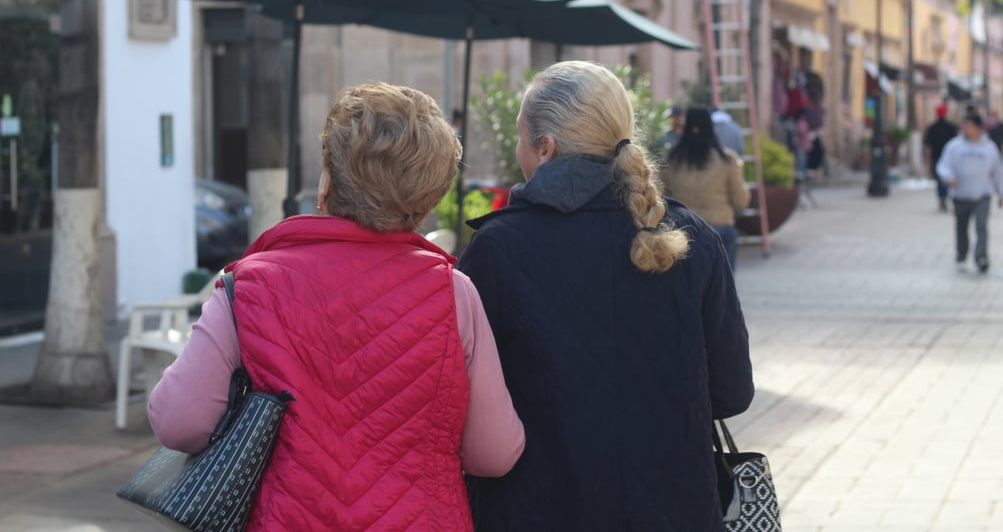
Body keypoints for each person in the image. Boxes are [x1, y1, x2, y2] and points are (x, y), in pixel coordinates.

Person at [148, 83, 525, 530]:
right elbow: (494, 453)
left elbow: (178, 422)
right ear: (428, 196)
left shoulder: (247, 285)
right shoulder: (454, 294)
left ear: (329, 179)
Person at [458, 61, 754, 532]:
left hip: (540, 510)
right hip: (676, 511)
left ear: (545, 147)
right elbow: (732, 391)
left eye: (520, 138)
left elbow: (461, 405)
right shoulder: (692, 237)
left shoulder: (499, 248)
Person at [663, 107, 751, 271]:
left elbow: (662, 197)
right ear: (711, 128)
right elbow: (741, 201)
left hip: (682, 232)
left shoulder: (671, 159)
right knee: (724, 288)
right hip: (720, 227)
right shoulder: (728, 160)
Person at [936, 112, 1003, 274]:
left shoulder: (989, 148)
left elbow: (998, 172)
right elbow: (943, 165)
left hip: (982, 194)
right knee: (962, 227)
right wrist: (949, 177)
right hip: (961, 195)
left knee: (981, 226)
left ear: (978, 128)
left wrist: (1002, 193)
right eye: (964, 126)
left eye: (970, 126)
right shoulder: (954, 146)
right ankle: (962, 255)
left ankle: (981, 257)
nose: (966, 129)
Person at [924, 103, 958, 212]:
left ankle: (943, 197)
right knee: (948, 178)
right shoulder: (951, 127)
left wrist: (928, 162)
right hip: (948, 158)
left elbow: (928, 147)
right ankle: (946, 197)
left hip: (936, 157)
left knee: (940, 179)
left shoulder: (932, 128)